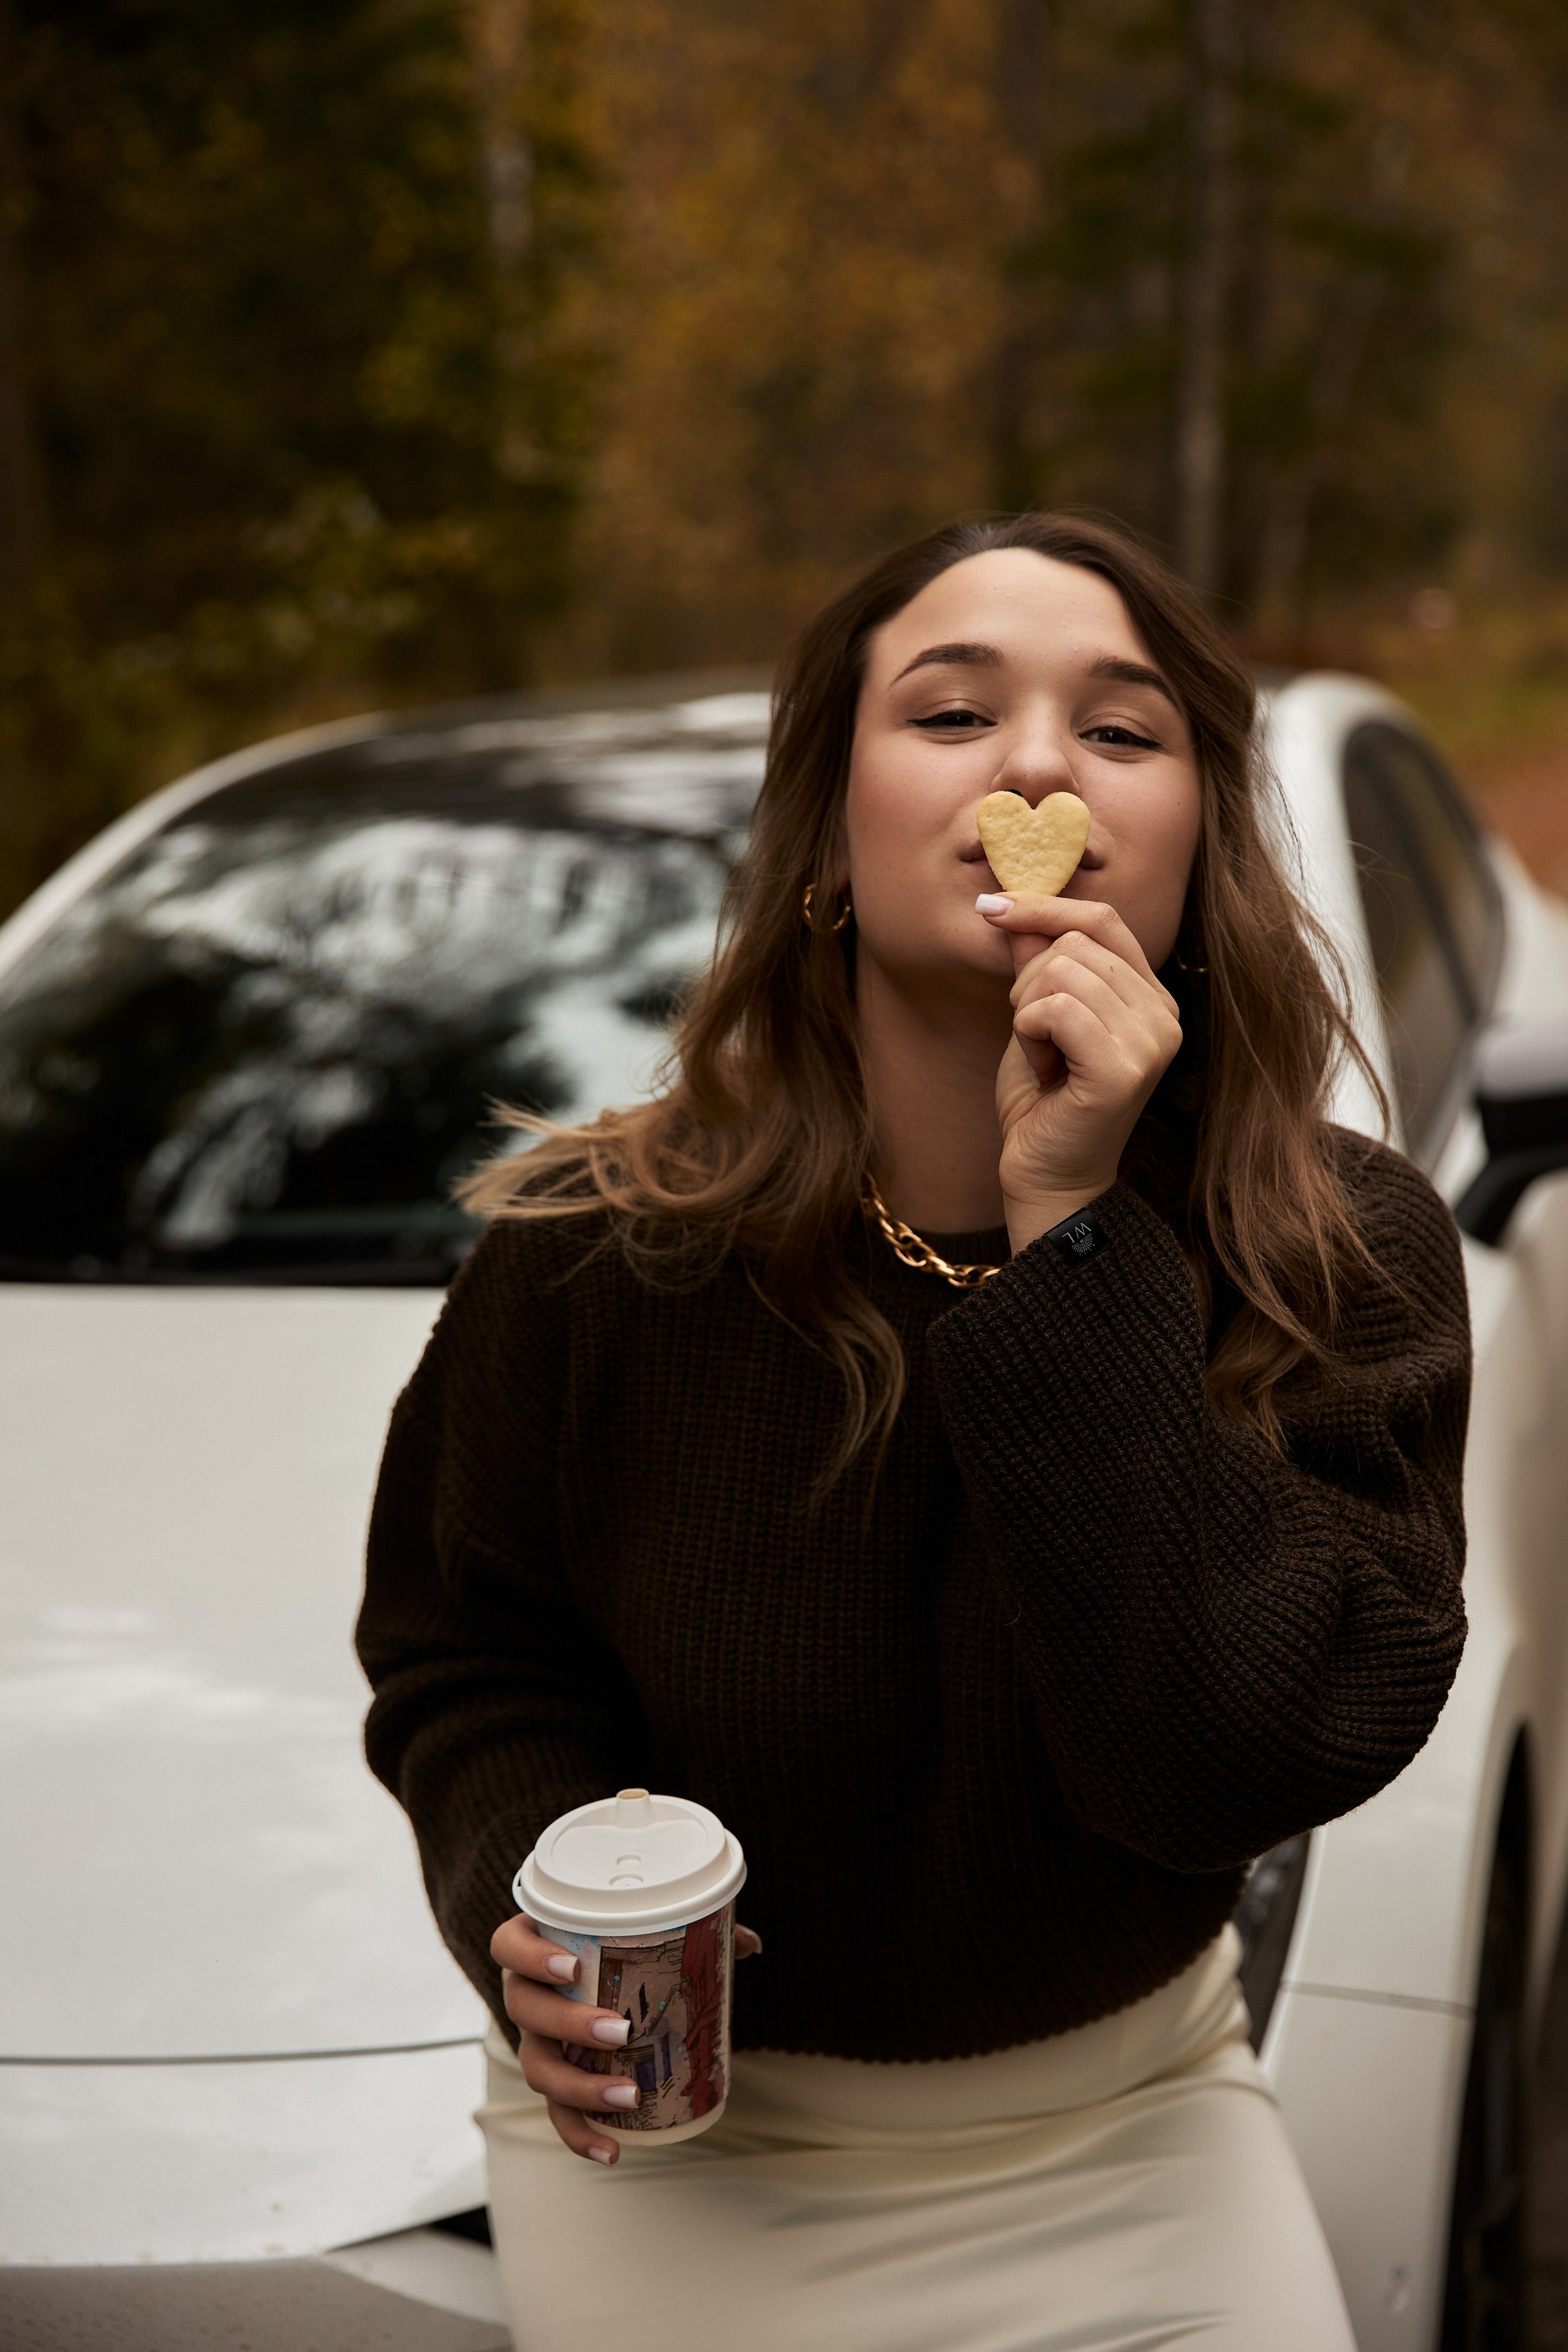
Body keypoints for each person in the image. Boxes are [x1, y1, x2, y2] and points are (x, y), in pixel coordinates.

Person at [356, 513, 1469, 2350]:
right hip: (680, 2154)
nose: (1039, 765)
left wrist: (1075, 1228)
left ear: (1199, 853)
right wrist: (531, 1898)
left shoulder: (1338, 1256)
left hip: (1129, 2129)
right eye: (954, 715)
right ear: (828, 839)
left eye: (1123, 733)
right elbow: (466, 1660)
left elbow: (1223, 1764)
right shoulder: (590, 1262)